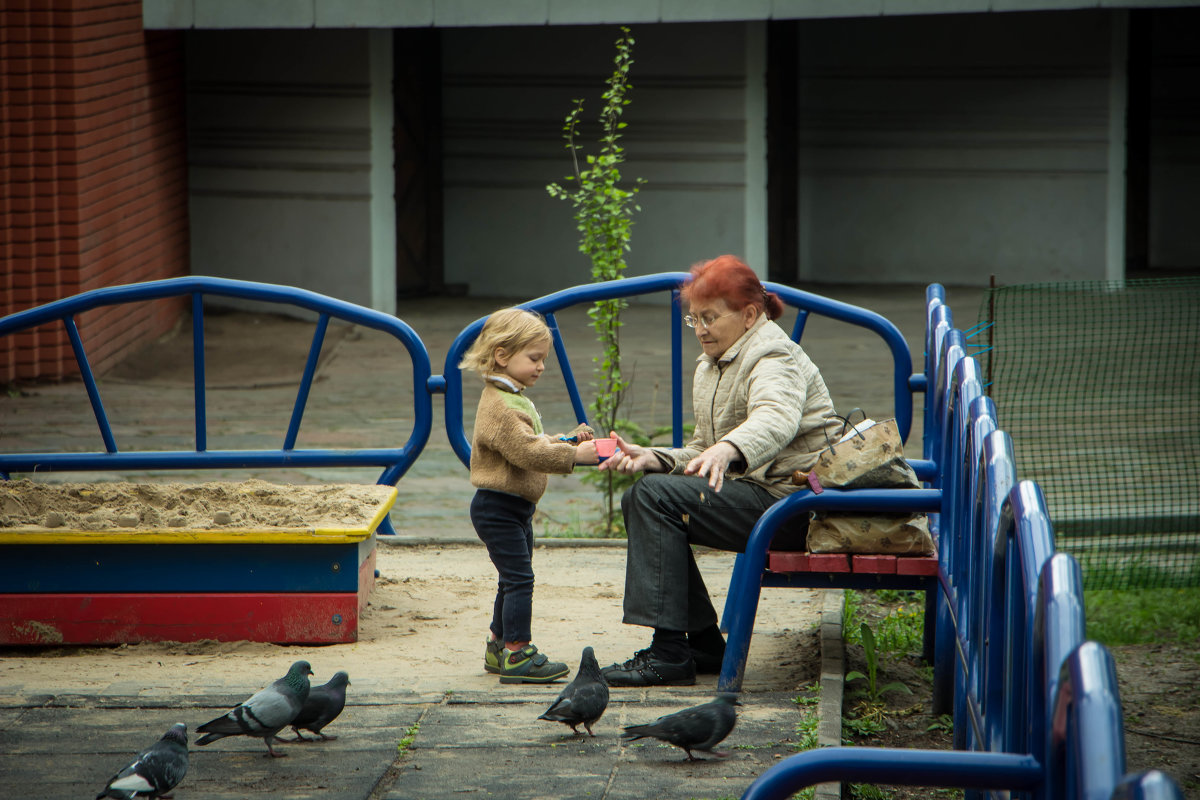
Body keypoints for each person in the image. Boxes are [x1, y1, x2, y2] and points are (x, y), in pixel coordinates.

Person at [597, 255, 841, 687]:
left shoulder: (773, 354)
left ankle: (671, 653)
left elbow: (775, 418)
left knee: (654, 498)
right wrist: (654, 457)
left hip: (796, 506)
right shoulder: (714, 363)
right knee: (646, 492)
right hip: (762, 495)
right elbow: (701, 448)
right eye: (694, 320)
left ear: (749, 314)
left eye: (710, 317)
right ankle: (702, 644)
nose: (701, 329)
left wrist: (729, 448)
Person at [459, 307, 598, 684]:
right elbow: (526, 453)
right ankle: (518, 653)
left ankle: (498, 645)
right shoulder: (502, 405)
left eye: (543, 359)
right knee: (520, 579)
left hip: (513, 507)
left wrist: (566, 440)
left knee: (511, 578)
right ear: (502, 355)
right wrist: (574, 456)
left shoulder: (511, 395)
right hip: (498, 508)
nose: (541, 367)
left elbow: (532, 442)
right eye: (534, 358)